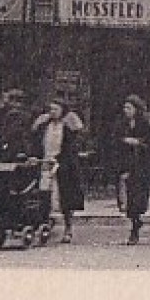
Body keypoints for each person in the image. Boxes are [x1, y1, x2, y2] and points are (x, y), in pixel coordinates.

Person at [31, 98, 86, 243]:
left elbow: (71, 147)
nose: (52, 112)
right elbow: (37, 143)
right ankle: (45, 223)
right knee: (44, 195)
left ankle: (68, 228)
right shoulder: (44, 125)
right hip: (45, 163)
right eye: (51, 109)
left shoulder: (68, 126)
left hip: (62, 164)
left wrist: (60, 159)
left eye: (56, 109)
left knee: (65, 197)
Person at [114, 94, 150, 245]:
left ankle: (134, 228)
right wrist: (123, 141)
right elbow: (114, 140)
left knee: (137, 197)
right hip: (125, 164)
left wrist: (138, 143)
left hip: (140, 165)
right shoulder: (121, 124)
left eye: (129, 108)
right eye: (125, 108)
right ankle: (134, 221)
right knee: (126, 197)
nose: (126, 110)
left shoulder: (144, 124)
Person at [0, 88, 33, 162]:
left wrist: (23, 151)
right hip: (2, 152)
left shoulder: (21, 116)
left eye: (5, 98)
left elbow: (25, 135)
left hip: (15, 153)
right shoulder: (0, 115)